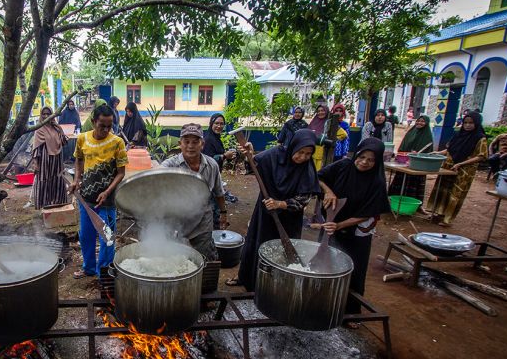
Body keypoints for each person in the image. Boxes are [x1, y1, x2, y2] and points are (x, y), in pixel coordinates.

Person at [316, 138, 391, 324]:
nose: (364, 162)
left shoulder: (377, 182)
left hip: (357, 232)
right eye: (362, 156)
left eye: (370, 160)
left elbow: (368, 213)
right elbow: (319, 177)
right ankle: (322, 304)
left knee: (352, 269)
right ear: (356, 153)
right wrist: (328, 192)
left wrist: (340, 226)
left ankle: (351, 312)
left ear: (377, 162)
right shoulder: (343, 166)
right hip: (331, 222)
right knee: (324, 262)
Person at [234, 129, 321, 290]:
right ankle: (248, 278)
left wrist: (281, 204)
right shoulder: (275, 154)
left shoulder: (307, 168)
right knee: (256, 244)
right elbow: (254, 166)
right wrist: (250, 154)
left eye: (308, 154)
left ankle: (272, 286)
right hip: (265, 212)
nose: (303, 157)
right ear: (293, 147)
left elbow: (304, 199)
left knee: (282, 252)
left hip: (289, 218)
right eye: (300, 152)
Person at [69, 104, 128, 279]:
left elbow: (121, 172)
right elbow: (79, 160)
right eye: (102, 125)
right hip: (86, 197)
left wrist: (107, 191)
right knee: (86, 236)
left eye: (110, 126)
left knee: (107, 238)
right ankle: (88, 268)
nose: (106, 129)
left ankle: (104, 273)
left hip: (107, 201)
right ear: (94, 121)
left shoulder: (117, 142)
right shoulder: (82, 139)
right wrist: (76, 180)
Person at [160, 123, 227, 260]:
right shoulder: (170, 165)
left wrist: (223, 213)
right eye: (187, 142)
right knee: (174, 258)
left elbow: (219, 192)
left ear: (202, 144)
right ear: (180, 144)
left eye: (195, 142)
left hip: (202, 218)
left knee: (203, 257)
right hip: (176, 218)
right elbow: (157, 176)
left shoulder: (211, 165)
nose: (191, 146)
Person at [425, 110, 488, 226]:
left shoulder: (480, 138)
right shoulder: (458, 134)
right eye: (466, 123)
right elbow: (450, 149)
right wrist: (438, 152)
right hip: (449, 167)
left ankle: (447, 219)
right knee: (443, 190)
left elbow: (481, 156)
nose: (468, 125)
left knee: (455, 194)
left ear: (477, 124)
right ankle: (437, 213)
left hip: (464, 171)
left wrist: (461, 164)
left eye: (471, 123)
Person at [388, 114, 433, 204]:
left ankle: (413, 204)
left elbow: (429, 153)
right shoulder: (410, 132)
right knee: (401, 181)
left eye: (422, 121)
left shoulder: (428, 137)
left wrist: (418, 155)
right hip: (404, 163)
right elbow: (403, 145)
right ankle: (393, 201)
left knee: (415, 183)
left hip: (418, 165)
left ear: (426, 123)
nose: (420, 123)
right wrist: (401, 154)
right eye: (418, 121)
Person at [31, 106, 68, 209]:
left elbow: (64, 141)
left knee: (58, 179)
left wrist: (59, 129)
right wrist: (36, 163)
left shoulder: (56, 127)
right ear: (41, 115)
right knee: (44, 179)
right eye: (44, 114)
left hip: (57, 159)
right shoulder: (39, 129)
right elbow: (36, 147)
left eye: (48, 114)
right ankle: (44, 204)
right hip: (44, 159)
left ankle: (58, 201)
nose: (46, 116)